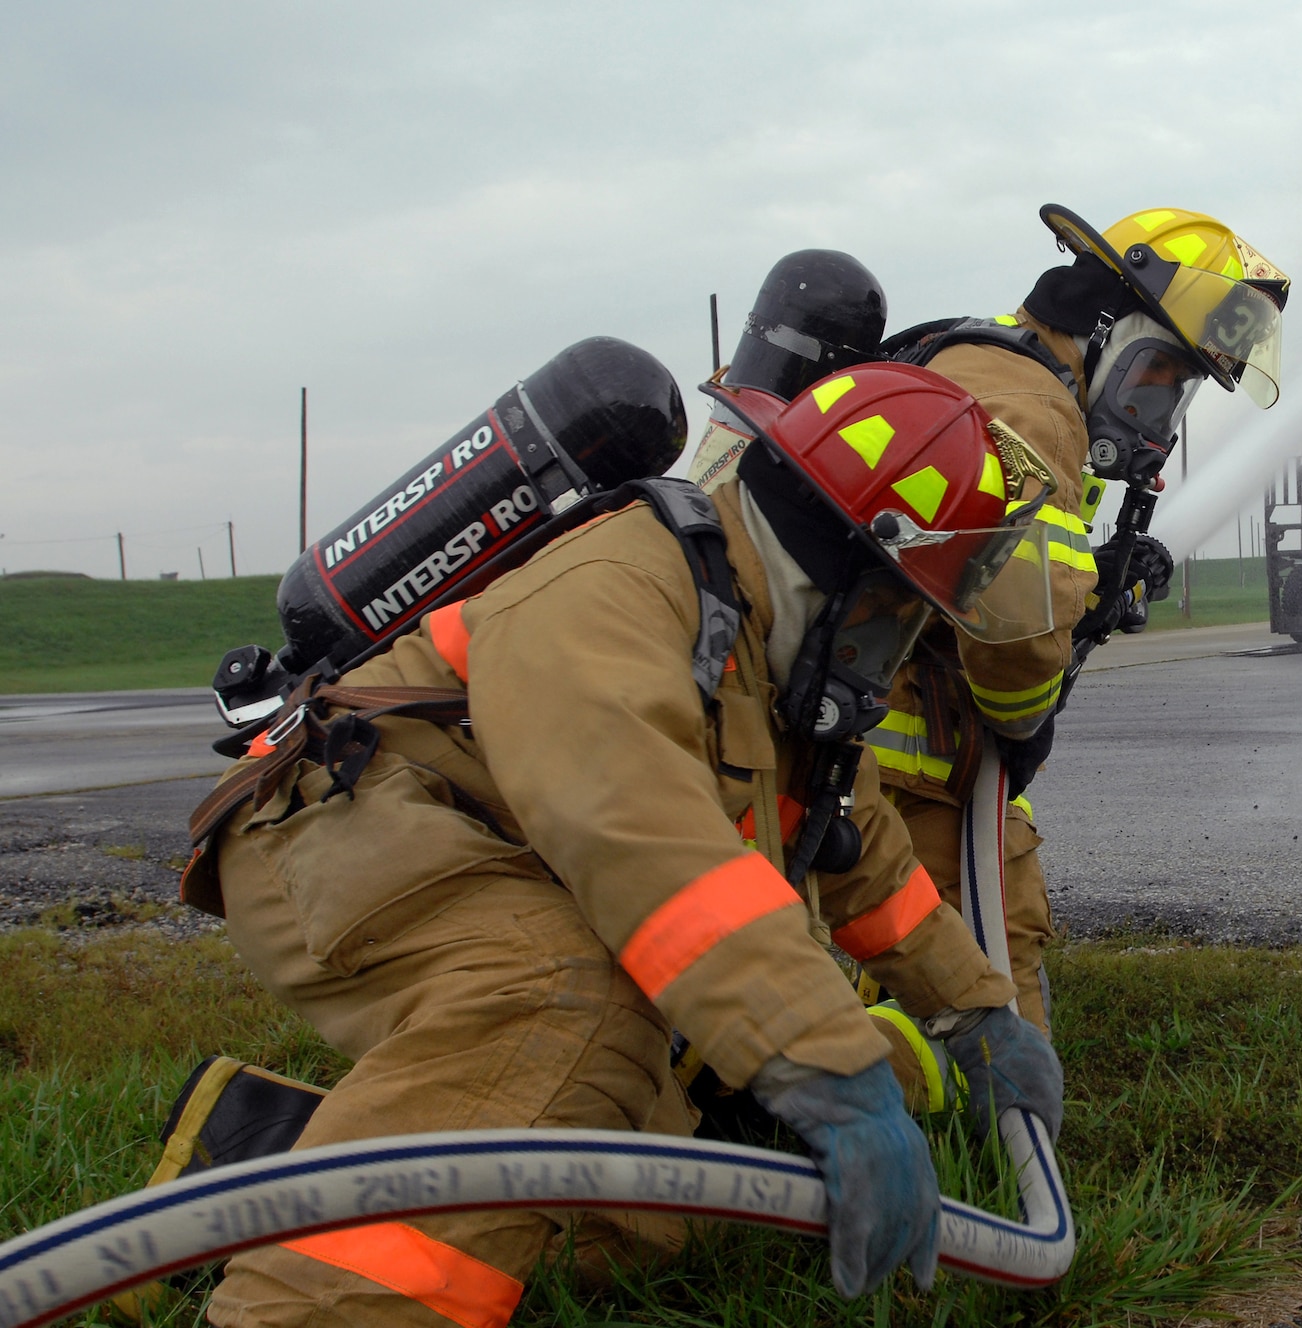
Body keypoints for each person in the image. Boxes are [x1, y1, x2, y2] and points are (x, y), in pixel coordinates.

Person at [193, 360, 1065, 1324]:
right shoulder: (618, 589)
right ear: (851, 569)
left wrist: (975, 1011)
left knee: (644, 1204)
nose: (903, 646)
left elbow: (857, 856)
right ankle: (310, 1308)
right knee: (566, 1001)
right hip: (355, 819)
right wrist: (831, 1067)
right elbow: (646, 846)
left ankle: (249, 1153)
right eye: (906, 611)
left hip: (505, 851)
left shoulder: (764, 645)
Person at [692, 206, 1289, 1053]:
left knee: (877, 967)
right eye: (1158, 375)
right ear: (1104, 327)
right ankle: (965, 1136)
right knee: (986, 982)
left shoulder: (975, 358)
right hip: (914, 771)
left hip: (871, 747)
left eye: (1178, 390)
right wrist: (1028, 720)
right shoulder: (1035, 411)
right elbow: (1021, 637)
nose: (1159, 412)